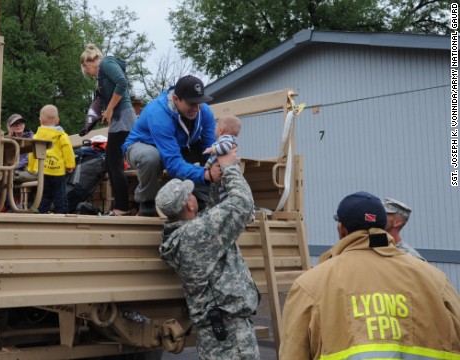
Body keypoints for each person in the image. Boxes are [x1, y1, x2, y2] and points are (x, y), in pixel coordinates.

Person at [280, 191, 460, 359]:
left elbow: (293, 352)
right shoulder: (435, 279)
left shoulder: (310, 285)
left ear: (341, 229)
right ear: (382, 227)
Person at [156, 147, 260, 360]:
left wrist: (215, 182)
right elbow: (241, 203)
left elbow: (212, 216)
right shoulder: (196, 234)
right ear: (189, 203)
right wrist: (230, 167)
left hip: (217, 332)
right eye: (192, 194)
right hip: (231, 336)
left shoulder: (182, 236)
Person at [122, 75, 218, 217]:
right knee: (150, 157)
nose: (197, 108)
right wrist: (206, 175)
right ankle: (147, 203)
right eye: (192, 103)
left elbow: (210, 149)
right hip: (142, 145)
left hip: (176, 145)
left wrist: (214, 166)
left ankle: (203, 201)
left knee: (211, 156)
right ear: (175, 99)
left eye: (199, 103)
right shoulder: (159, 114)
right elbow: (173, 164)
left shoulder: (204, 112)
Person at [80, 44, 136, 216]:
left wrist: (110, 109)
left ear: (87, 63)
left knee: (113, 162)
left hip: (124, 116)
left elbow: (122, 83)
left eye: (86, 70)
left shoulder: (106, 63)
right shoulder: (102, 76)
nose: (89, 73)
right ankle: (120, 207)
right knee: (112, 163)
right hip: (118, 118)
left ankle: (121, 208)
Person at [28, 105, 75, 214]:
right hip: (58, 171)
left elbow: (32, 152)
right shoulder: (61, 135)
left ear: (40, 119)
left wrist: (31, 167)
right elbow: (67, 149)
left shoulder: (36, 136)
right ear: (57, 120)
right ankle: (61, 213)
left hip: (42, 170)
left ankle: (41, 212)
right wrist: (70, 164)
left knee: (44, 194)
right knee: (60, 194)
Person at [203, 115, 241, 203]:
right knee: (222, 191)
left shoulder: (226, 139)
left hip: (228, 170)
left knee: (226, 190)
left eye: (216, 127)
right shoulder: (220, 141)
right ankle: (225, 203)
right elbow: (214, 157)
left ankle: (228, 203)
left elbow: (225, 147)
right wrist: (208, 165)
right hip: (223, 172)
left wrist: (212, 149)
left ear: (220, 130)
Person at [6, 113, 36, 182]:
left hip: (26, 169)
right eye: (16, 124)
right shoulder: (9, 139)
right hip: (13, 169)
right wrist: (10, 135)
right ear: (10, 127)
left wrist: (13, 167)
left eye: (21, 123)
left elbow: (28, 158)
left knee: (6, 177)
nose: (19, 125)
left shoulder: (32, 138)